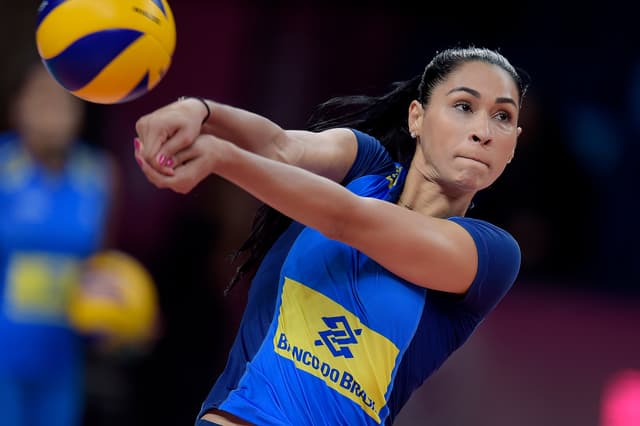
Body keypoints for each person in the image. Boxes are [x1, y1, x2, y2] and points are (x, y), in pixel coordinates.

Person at [134, 46, 527, 425]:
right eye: (464, 107)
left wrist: (221, 157)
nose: (483, 131)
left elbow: (348, 219)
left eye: (503, 117)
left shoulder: (491, 255)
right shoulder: (362, 164)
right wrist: (199, 111)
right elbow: (280, 147)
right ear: (416, 119)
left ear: (513, 147)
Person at [0, 58, 121, 426]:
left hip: (62, 363)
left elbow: (98, 267)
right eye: (41, 97)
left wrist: (122, 312)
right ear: (17, 105)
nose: (54, 109)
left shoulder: (100, 175)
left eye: (64, 99)